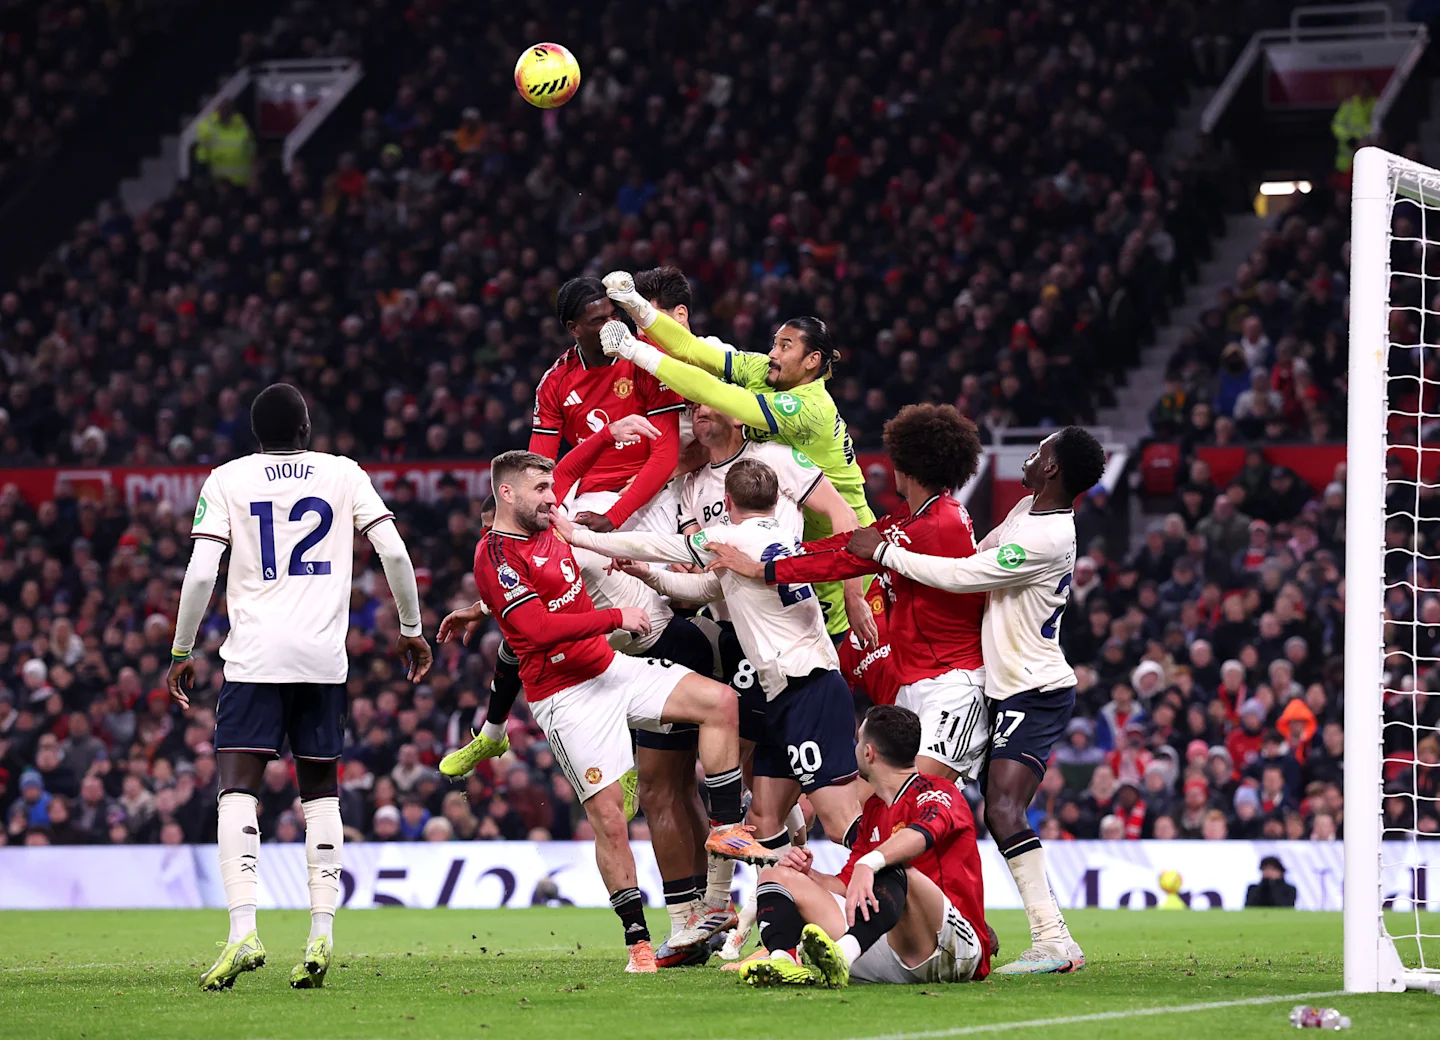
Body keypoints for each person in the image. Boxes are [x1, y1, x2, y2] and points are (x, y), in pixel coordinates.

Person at [166, 383, 434, 991]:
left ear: (255, 433)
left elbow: (203, 568)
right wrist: (411, 629)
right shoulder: (344, 473)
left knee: (237, 792)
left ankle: (243, 933)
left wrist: (182, 650)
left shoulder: (226, 479)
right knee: (321, 796)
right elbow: (393, 551)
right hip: (321, 659)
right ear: (306, 429)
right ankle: (321, 933)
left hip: (255, 659)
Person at [441, 417, 726, 965]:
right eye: (542, 490)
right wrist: (616, 613)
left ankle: (728, 830)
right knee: (612, 822)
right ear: (507, 495)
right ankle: (638, 942)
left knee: (721, 705)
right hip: (567, 697)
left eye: (552, 490)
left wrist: (604, 435)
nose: (554, 497)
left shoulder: (546, 520)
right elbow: (538, 631)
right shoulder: (496, 556)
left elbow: (566, 467)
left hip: (610, 667)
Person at [553, 459, 866, 925]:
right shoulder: (779, 537)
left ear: (731, 504)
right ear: (776, 499)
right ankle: (775, 918)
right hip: (786, 691)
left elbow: (657, 542)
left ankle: (897, 878)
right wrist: (646, 576)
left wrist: (579, 536)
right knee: (763, 818)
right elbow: (705, 584)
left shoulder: (730, 537)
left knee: (841, 819)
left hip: (808, 689)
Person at [844, 427, 1107, 974]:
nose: (1030, 459)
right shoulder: (1025, 512)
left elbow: (965, 576)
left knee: (1002, 809)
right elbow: (971, 555)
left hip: (1034, 688)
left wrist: (888, 553)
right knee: (967, 805)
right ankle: (971, 925)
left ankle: (1052, 939)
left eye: (1040, 453)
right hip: (1003, 686)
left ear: (1054, 469)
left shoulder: (1051, 535)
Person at [704, 404, 988, 784]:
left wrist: (764, 568)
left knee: (917, 799)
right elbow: (846, 544)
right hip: (914, 684)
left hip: (950, 684)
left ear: (907, 466)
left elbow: (845, 561)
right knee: (884, 805)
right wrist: (782, 554)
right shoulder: (911, 518)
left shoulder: (937, 524)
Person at [599, 270, 877, 641]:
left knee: (845, 660)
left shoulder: (810, 408)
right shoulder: (766, 370)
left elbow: (717, 395)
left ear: (812, 361)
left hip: (846, 542)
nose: (773, 354)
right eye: (774, 343)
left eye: (785, 347)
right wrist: (634, 306)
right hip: (799, 539)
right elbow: (692, 349)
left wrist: (634, 351)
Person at [739, 705, 991, 988]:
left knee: (892, 866)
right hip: (887, 946)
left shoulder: (938, 791)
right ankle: (784, 961)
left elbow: (922, 835)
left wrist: (871, 861)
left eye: (858, 742)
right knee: (776, 876)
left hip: (949, 949)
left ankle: (843, 954)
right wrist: (808, 875)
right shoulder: (874, 809)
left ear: (868, 752)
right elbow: (850, 886)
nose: (855, 749)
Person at [529, 276, 684, 535]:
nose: (612, 326)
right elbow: (540, 465)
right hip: (589, 496)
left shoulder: (647, 360)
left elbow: (665, 454)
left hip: (651, 495)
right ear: (574, 328)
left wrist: (614, 517)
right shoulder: (555, 382)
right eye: (599, 321)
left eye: (614, 316)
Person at [193, 98, 257, 188]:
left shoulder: (242, 125)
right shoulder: (208, 127)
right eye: (222, 108)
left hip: (241, 184)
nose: (224, 111)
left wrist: (253, 178)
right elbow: (202, 156)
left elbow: (252, 152)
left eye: (227, 108)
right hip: (219, 184)